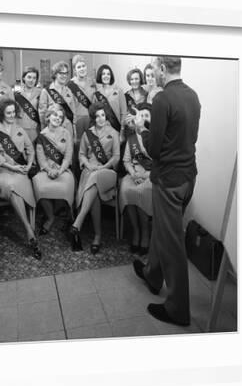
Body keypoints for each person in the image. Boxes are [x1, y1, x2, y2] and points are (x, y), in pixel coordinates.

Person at [132, 56, 200, 327]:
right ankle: (152, 274)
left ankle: (178, 309)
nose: (153, 74)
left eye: (154, 69)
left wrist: (140, 130)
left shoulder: (161, 99)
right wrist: (152, 129)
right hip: (188, 177)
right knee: (164, 230)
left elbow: (155, 149)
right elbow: (181, 136)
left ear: (162, 68)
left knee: (172, 243)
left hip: (168, 181)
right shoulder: (192, 95)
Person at [0, 99, 42, 260]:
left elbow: (30, 150)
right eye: (8, 113)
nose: (12, 115)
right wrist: (14, 168)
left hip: (20, 172)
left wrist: (29, 165)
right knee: (11, 185)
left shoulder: (20, 130)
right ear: (2, 114)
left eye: (13, 112)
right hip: (1, 174)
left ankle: (29, 233)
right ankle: (29, 230)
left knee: (14, 188)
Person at [69, 102, 120, 254]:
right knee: (94, 192)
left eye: (103, 115)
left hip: (107, 172)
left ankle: (78, 222)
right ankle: (97, 237)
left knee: (96, 177)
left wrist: (104, 167)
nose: (100, 119)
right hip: (90, 170)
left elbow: (116, 157)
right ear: (93, 118)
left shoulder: (114, 133)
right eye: (97, 116)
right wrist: (87, 165)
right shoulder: (87, 134)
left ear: (106, 116)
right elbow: (82, 154)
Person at [32, 106, 75, 235]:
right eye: (55, 115)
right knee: (40, 186)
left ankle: (67, 216)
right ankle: (50, 217)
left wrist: (60, 170)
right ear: (48, 116)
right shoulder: (42, 135)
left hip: (63, 170)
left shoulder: (66, 133)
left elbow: (68, 157)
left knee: (67, 185)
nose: (58, 118)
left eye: (61, 117)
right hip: (46, 170)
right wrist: (49, 170)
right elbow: (41, 159)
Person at [119, 103, 153, 255]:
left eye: (147, 115)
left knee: (143, 191)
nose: (144, 119)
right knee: (126, 190)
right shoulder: (132, 137)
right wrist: (133, 173)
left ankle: (145, 233)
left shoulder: (155, 137)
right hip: (134, 173)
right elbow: (126, 160)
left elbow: (159, 163)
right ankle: (136, 231)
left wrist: (144, 176)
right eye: (142, 115)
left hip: (150, 175)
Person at [38, 61, 75, 136]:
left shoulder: (69, 91)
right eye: (61, 73)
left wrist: (74, 131)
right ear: (55, 74)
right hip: (52, 129)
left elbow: (73, 113)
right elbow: (42, 115)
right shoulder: (46, 92)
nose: (64, 76)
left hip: (67, 129)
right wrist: (44, 132)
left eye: (66, 73)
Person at [68, 55, 97, 142]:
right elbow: (70, 108)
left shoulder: (92, 82)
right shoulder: (70, 85)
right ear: (74, 70)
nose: (82, 69)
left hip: (92, 120)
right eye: (79, 67)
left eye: (83, 66)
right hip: (77, 122)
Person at [93, 64, 128, 133]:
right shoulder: (97, 94)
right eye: (103, 74)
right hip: (102, 130)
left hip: (117, 128)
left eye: (108, 74)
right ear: (100, 76)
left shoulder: (118, 91)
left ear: (111, 76)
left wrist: (122, 130)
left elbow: (124, 112)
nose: (106, 76)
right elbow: (94, 114)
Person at [15, 66, 42, 142]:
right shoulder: (17, 94)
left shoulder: (41, 93)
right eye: (29, 77)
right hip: (20, 128)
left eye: (34, 78)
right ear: (24, 78)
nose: (31, 80)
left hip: (35, 129)